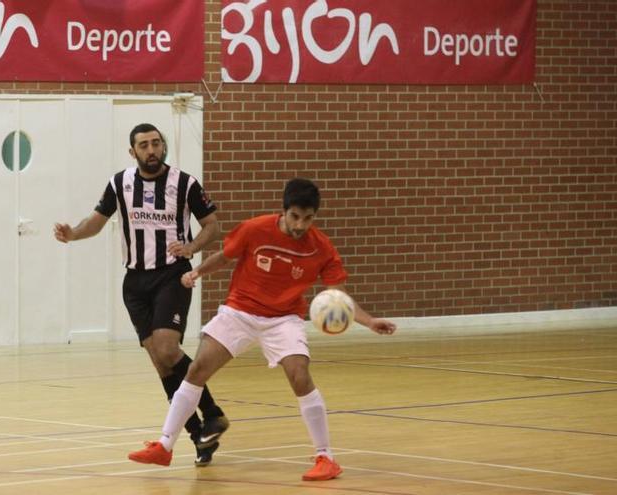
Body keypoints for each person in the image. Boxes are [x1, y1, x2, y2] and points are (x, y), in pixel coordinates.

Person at [128, 178, 397, 481]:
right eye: (295, 216)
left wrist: (370, 321)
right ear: (284, 211)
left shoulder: (320, 248)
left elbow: (340, 296)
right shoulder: (256, 229)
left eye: (308, 219)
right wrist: (197, 272)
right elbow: (226, 256)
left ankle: (326, 457)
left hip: (283, 319)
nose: (300, 225)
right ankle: (165, 445)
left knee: (300, 375)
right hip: (240, 311)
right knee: (197, 369)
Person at [54, 123, 229, 466]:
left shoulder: (186, 183)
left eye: (156, 144)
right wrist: (72, 233)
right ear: (132, 152)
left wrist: (191, 247)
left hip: (171, 276)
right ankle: (199, 436)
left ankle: (213, 413)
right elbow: (97, 220)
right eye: (144, 145)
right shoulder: (120, 183)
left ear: (163, 147)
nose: (151, 150)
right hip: (135, 284)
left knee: (168, 348)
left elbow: (213, 225)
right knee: (161, 363)